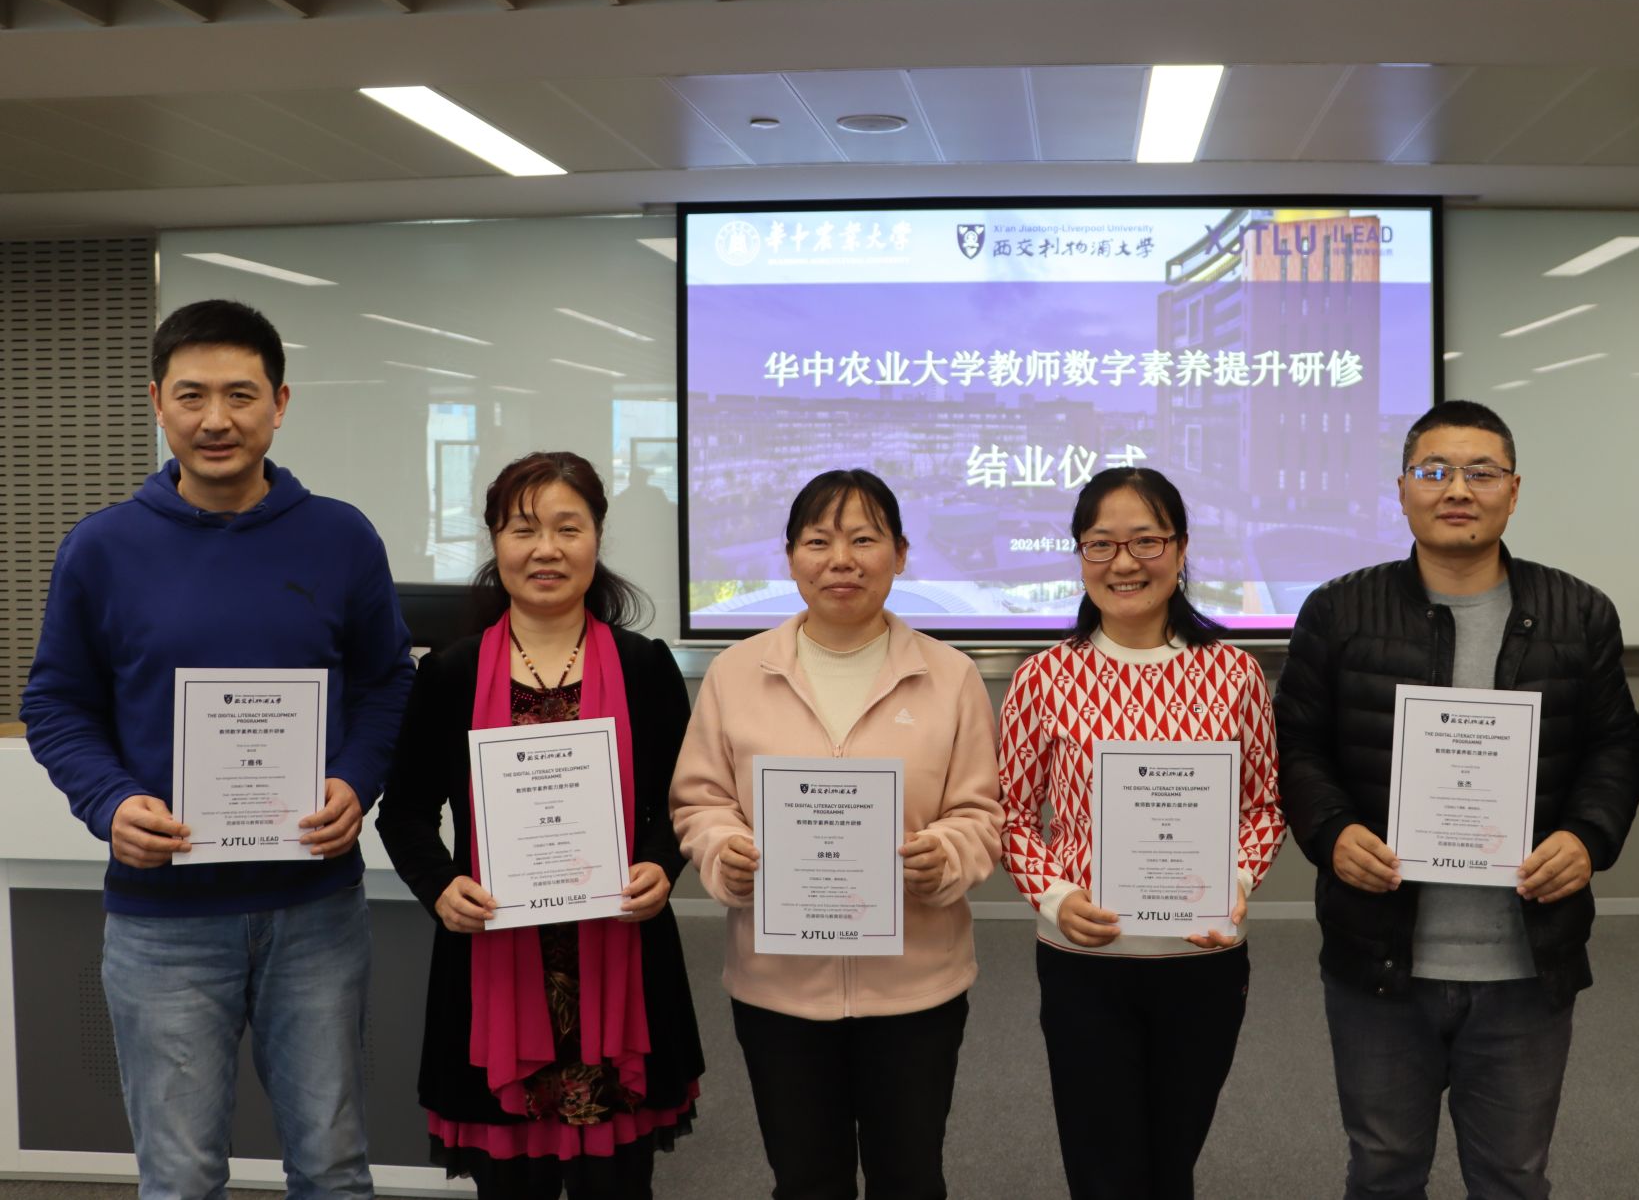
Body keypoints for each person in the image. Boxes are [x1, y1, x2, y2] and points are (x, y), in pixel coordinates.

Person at [20, 299, 414, 1200]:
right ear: (158, 402)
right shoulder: (102, 547)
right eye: (192, 394)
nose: (216, 418)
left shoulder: (342, 536)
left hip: (315, 910)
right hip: (163, 920)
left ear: (280, 403)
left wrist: (357, 779)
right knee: (181, 1174)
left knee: (332, 1165)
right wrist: (110, 802)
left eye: (241, 394)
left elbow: (388, 681)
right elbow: (56, 702)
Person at [1274, 399, 1639, 1200]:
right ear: (1401, 488)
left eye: (1481, 472)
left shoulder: (1580, 612)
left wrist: (1588, 836)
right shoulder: (1339, 609)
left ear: (1515, 490)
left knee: (1513, 1175)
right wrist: (1332, 831)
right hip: (1379, 952)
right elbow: (1298, 745)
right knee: (1382, 1168)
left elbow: (1615, 748)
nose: (1457, 489)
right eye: (1435, 470)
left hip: (1526, 958)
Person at [376, 451, 705, 1200]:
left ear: (597, 538)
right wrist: (440, 885)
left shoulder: (645, 666)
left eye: (568, 527)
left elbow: (684, 800)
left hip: (620, 955)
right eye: (523, 529)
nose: (546, 549)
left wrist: (662, 864)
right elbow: (406, 813)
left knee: (617, 1188)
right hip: (494, 957)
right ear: (495, 540)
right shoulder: (451, 674)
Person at [673, 468, 1001, 1200]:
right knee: (805, 1180)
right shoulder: (735, 673)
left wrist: (946, 856)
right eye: (819, 541)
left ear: (901, 554)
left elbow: (981, 813)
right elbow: (701, 800)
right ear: (791, 557)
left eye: (864, 540)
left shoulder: (950, 676)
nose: (841, 560)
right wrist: (724, 851)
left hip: (916, 988)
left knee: (909, 1178)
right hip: (778, 987)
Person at [998, 466, 1284, 1200]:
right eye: (1101, 544)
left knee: (1171, 1163)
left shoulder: (1235, 674)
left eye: (1146, 540)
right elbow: (1011, 816)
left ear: (1180, 549)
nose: (1124, 562)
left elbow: (1264, 807)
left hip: (1202, 957)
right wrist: (1057, 898)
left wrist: (1236, 881)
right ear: (1081, 556)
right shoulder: (1042, 678)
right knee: (1104, 1170)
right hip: (1085, 960)